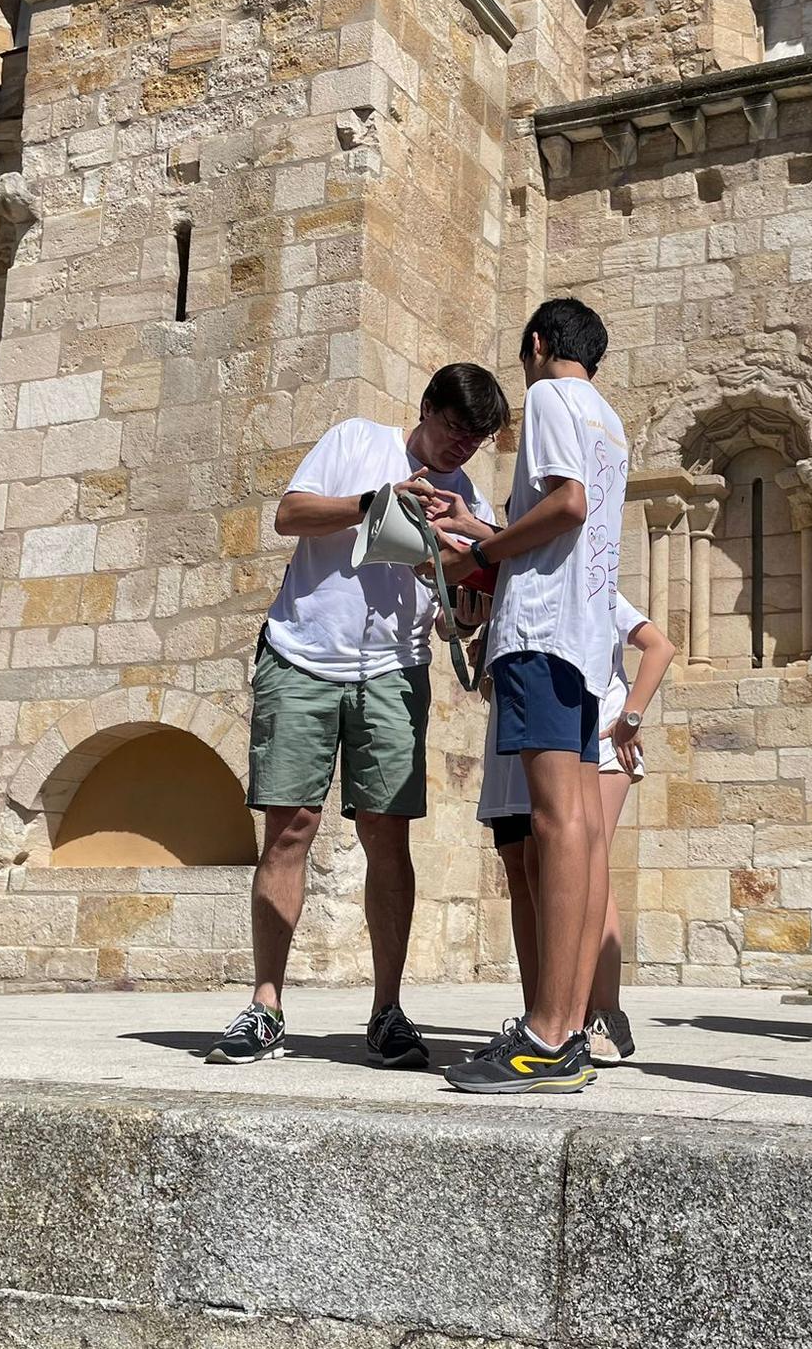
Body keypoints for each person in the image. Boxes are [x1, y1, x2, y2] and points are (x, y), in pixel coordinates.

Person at [206, 364, 508, 1066]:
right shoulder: (356, 441)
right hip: (302, 654)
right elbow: (290, 516)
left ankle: (388, 1011)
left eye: (477, 440)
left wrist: (463, 607)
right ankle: (266, 1003)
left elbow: (448, 611)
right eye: (455, 431)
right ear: (426, 408)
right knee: (290, 828)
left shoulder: (468, 497)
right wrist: (377, 502)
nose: (462, 450)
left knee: (386, 837)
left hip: (395, 674)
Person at [432, 297, 628, 1095]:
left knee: (553, 826)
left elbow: (566, 503)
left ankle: (546, 1035)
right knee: (577, 827)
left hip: (542, 630)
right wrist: (490, 536)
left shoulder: (550, 396)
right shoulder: (610, 418)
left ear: (539, 344)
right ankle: (569, 1027)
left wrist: (484, 541)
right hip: (585, 643)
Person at [477, 596, 674, 1064]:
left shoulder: (590, 585)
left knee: (590, 861)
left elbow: (659, 646)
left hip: (600, 735)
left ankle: (604, 1014)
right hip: (544, 733)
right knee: (536, 867)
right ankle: (545, 1014)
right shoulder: (519, 596)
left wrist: (630, 716)